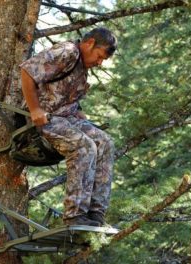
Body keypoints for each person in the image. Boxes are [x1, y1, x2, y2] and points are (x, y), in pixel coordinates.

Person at [20, 27, 117, 226]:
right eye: (99, 56)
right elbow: (28, 71)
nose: (99, 63)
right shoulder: (68, 51)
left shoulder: (82, 70)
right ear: (89, 43)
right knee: (84, 146)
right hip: (45, 119)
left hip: (67, 118)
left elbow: (67, 99)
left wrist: (81, 115)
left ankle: (96, 215)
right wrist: (35, 110)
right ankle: (75, 216)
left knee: (105, 142)